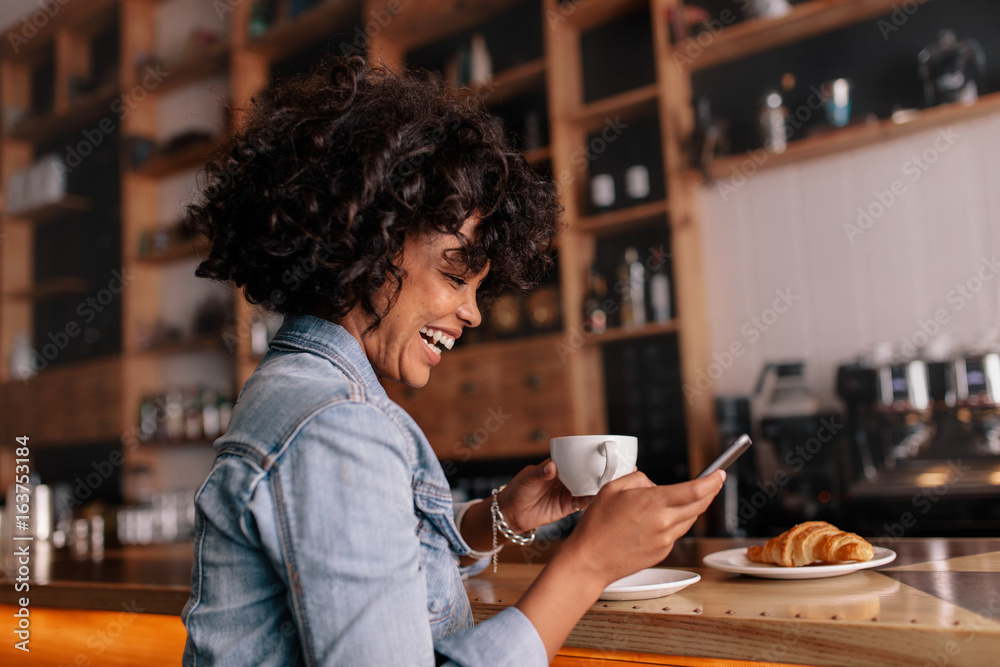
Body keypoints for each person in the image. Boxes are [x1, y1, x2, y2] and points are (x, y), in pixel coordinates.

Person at [181, 56, 724, 666]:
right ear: (363, 245)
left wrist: (496, 520)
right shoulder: (337, 424)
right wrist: (588, 564)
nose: (473, 313)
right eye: (454, 274)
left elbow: (362, 558)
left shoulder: (294, 386)